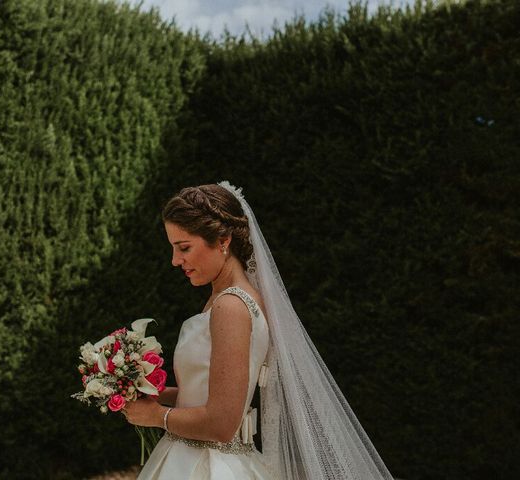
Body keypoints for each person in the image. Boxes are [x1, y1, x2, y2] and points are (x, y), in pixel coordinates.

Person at [123, 181, 395, 479]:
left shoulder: (230, 307)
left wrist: (156, 417)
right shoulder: (234, 299)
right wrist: (153, 392)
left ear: (223, 239)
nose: (176, 261)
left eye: (184, 248)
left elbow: (222, 423)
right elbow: (211, 395)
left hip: (208, 464)